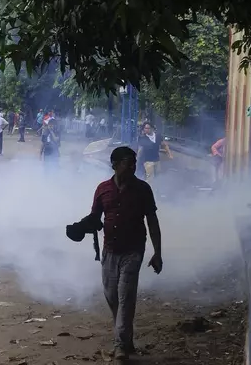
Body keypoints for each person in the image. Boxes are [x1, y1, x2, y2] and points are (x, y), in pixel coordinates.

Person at [90, 146, 163, 360]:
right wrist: (81, 226)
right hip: (109, 250)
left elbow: (152, 221)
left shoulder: (143, 189)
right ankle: (126, 337)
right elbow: (95, 217)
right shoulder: (103, 189)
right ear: (114, 164)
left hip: (133, 251)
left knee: (125, 297)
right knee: (112, 296)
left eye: (133, 162)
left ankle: (120, 345)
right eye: (127, 162)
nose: (132, 166)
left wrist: (157, 252)